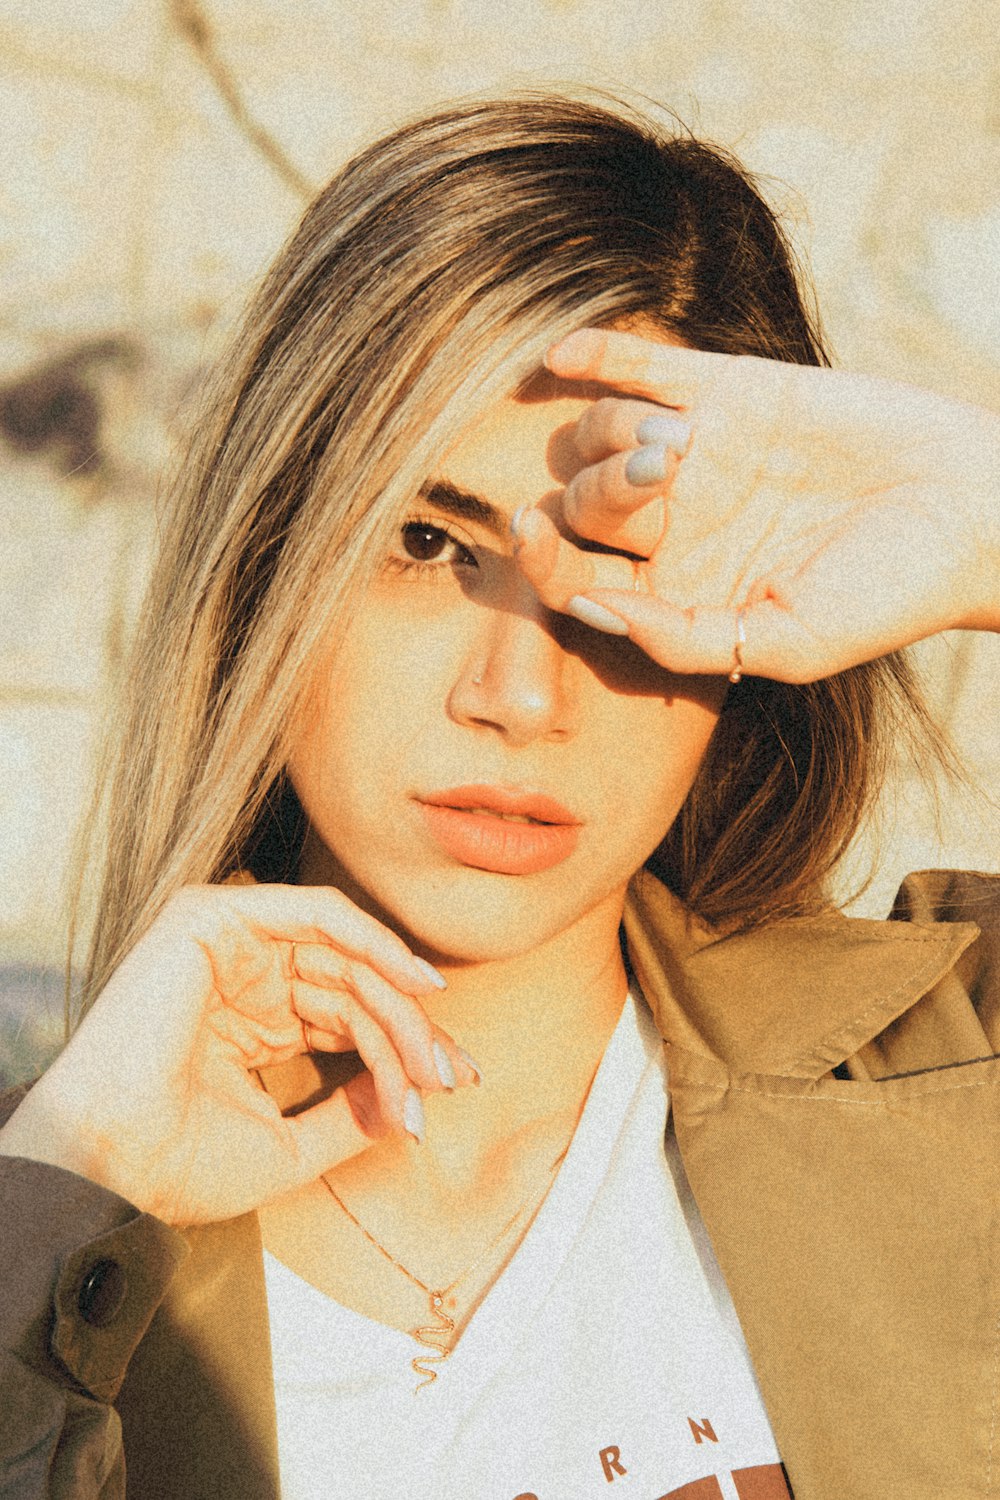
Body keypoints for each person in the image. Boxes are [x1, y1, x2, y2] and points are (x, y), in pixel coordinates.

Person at [1, 92, 998, 1500]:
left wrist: (980, 517)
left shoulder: (966, 1075)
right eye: (426, 540)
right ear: (264, 567)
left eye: (625, 564)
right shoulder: (47, 1231)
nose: (521, 695)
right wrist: (60, 1185)